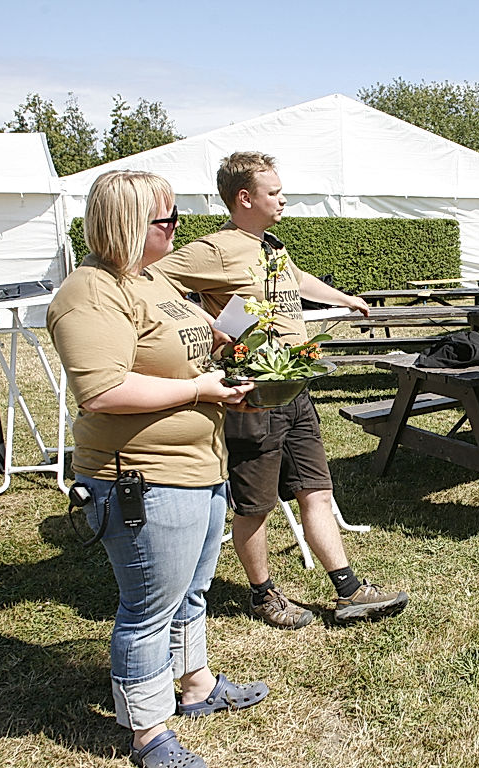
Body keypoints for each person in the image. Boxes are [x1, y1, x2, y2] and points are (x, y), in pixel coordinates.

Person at [47, 170, 268, 768]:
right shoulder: (89, 293)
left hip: (200, 467)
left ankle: (195, 684)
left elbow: (188, 351)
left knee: (191, 591)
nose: (176, 229)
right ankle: (147, 727)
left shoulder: (150, 280)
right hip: (142, 479)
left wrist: (228, 367)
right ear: (125, 223)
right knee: (148, 606)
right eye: (164, 219)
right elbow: (103, 390)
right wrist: (200, 387)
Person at [150, 151, 409, 629]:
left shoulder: (270, 245)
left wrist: (344, 299)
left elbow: (296, 279)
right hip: (252, 395)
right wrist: (208, 324)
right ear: (244, 198)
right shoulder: (218, 248)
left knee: (316, 489)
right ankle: (262, 595)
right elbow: (154, 278)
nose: (283, 199)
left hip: (295, 387)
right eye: (274, 192)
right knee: (256, 504)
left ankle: (349, 590)